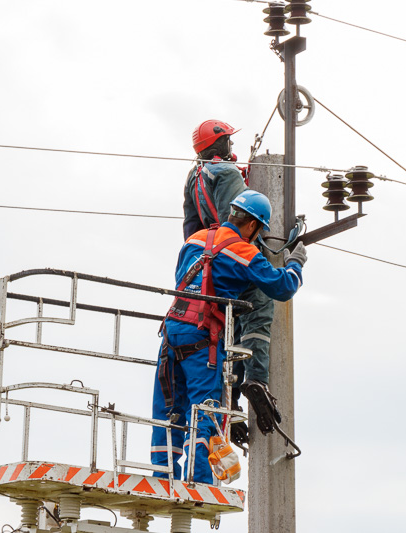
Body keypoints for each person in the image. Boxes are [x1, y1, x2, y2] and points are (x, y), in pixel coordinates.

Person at [151, 190, 308, 484]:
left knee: (169, 410)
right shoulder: (244, 251)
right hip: (202, 338)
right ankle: (198, 482)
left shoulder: (194, 240)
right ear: (253, 226)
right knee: (205, 412)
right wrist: (296, 263)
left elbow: (182, 279)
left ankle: (160, 476)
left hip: (171, 331)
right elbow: (282, 287)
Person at [182, 119, 281, 442]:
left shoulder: (194, 178)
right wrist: (263, 255)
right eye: (228, 141)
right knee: (259, 311)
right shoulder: (223, 172)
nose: (232, 147)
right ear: (217, 143)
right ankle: (256, 379)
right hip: (232, 256)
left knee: (227, 329)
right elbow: (239, 218)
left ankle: (232, 402)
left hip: (206, 265)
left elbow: (191, 228)